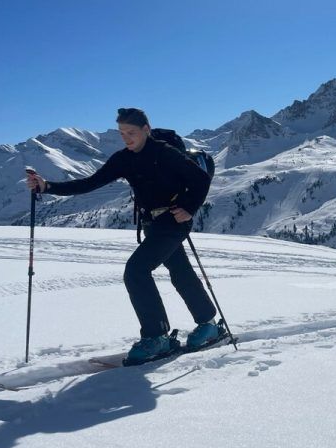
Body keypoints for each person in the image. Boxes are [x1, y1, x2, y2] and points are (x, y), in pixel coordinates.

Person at [26, 108, 222, 363]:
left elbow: (200, 180)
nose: (126, 138)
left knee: (136, 271)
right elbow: (89, 183)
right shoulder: (124, 159)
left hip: (173, 221)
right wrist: (47, 186)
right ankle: (208, 324)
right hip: (153, 223)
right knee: (180, 271)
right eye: (122, 133)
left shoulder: (165, 153)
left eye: (131, 132)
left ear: (146, 130)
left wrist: (189, 208)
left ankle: (157, 337)